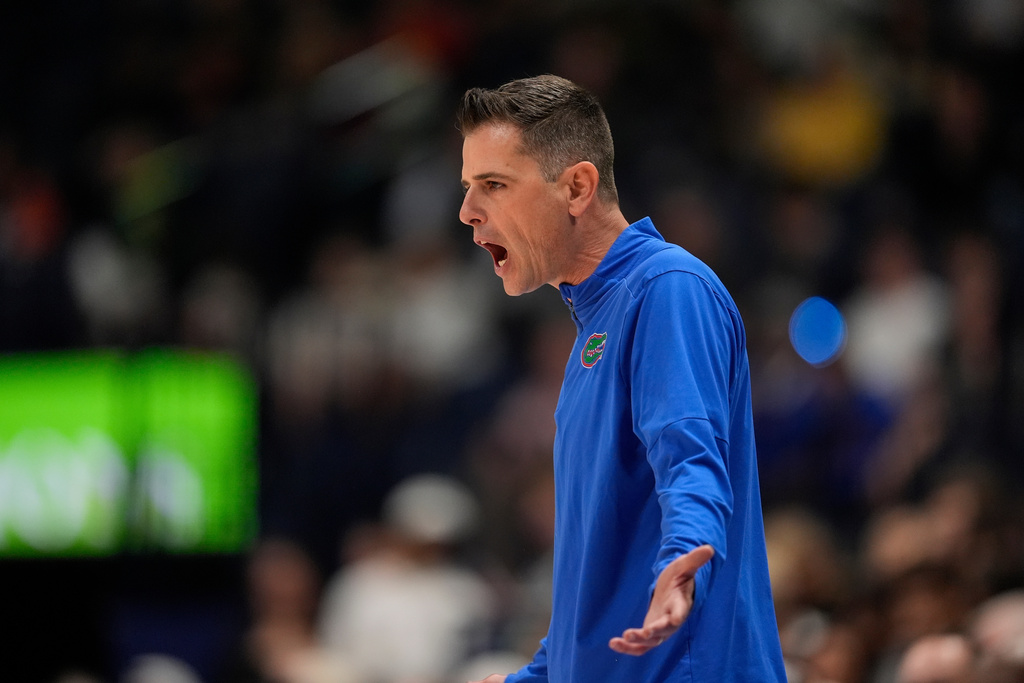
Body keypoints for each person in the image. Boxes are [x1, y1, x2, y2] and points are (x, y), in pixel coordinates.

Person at [456, 74, 787, 682]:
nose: (467, 212)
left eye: (493, 186)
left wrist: (685, 564)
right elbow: (595, 594)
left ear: (577, 186)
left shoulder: (667, 290)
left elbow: (691, 462)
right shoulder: (596, 327)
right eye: (468, 188)